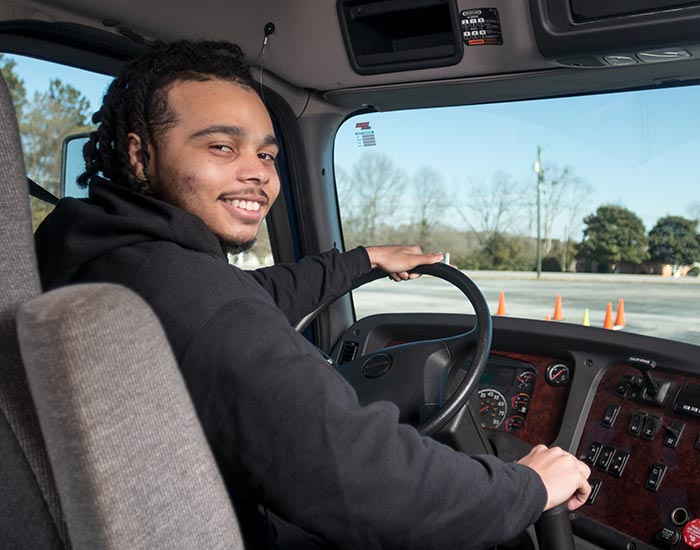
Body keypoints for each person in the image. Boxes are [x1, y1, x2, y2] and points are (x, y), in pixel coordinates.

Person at [35, 40, 591, 549]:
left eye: (268, 155)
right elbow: (373, 487)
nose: (257, 174)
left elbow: (250, 293)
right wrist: (529, 486)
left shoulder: (105, 254)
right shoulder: (206, 305)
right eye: (223, 147)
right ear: (140, 155)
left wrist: (365, 260)